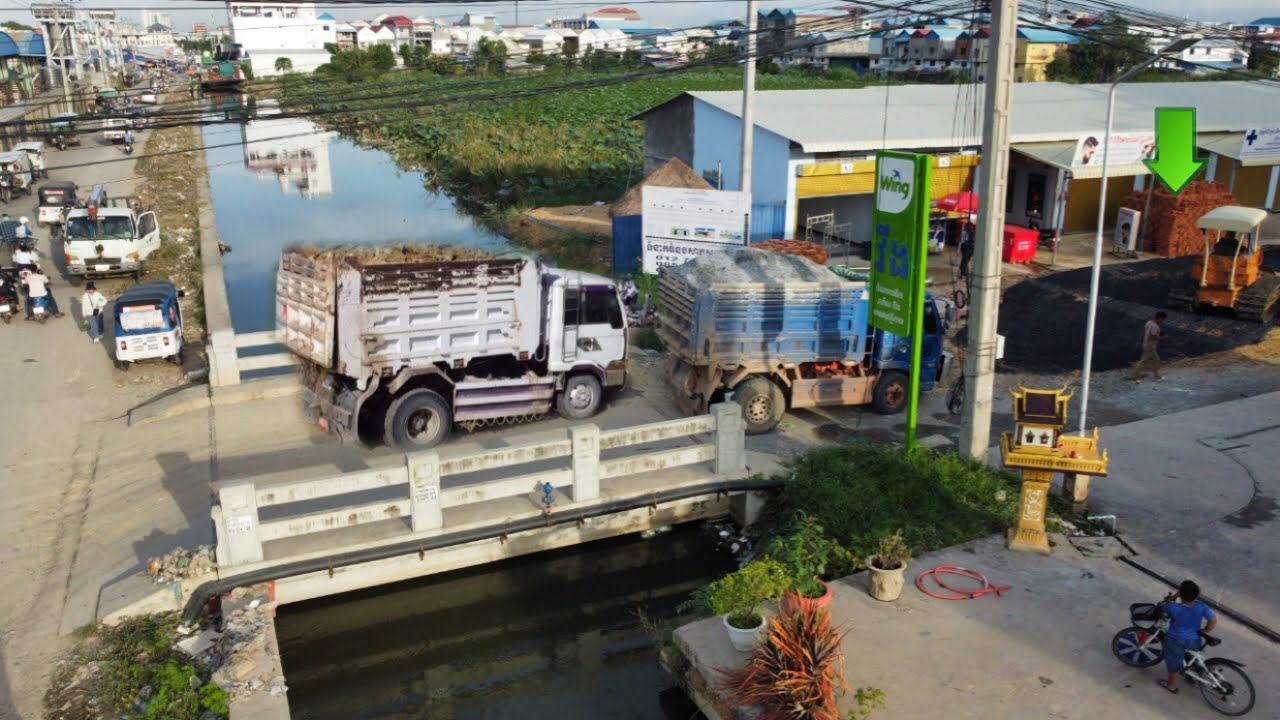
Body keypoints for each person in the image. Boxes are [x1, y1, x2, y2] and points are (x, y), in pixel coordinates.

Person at [1158, 580, 1217, 694]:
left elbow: (1164, 606)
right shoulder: (1201, 606)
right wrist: (1206, 630)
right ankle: (1191, 675)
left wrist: (1174, 596)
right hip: (1194, 639)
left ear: (1181, 593)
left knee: (1174, 663)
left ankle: (1172, 686)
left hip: (1175, 639)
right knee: (1190, 657)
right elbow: (1213, 620)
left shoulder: (1173, 607)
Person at [1131, 311, 1166, 381]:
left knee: (1155, 360)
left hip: (1146, 344)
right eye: (1162, 319)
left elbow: (1143, 332)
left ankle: (1156, 375)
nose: (1163, 321)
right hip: (1150, 346)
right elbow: (1152, 337)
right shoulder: (1155, 326)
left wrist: (1139, 341)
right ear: (1159, 318)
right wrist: (1163, 337)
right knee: (1144, 361)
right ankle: (1135, 376)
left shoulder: (1148, 322)